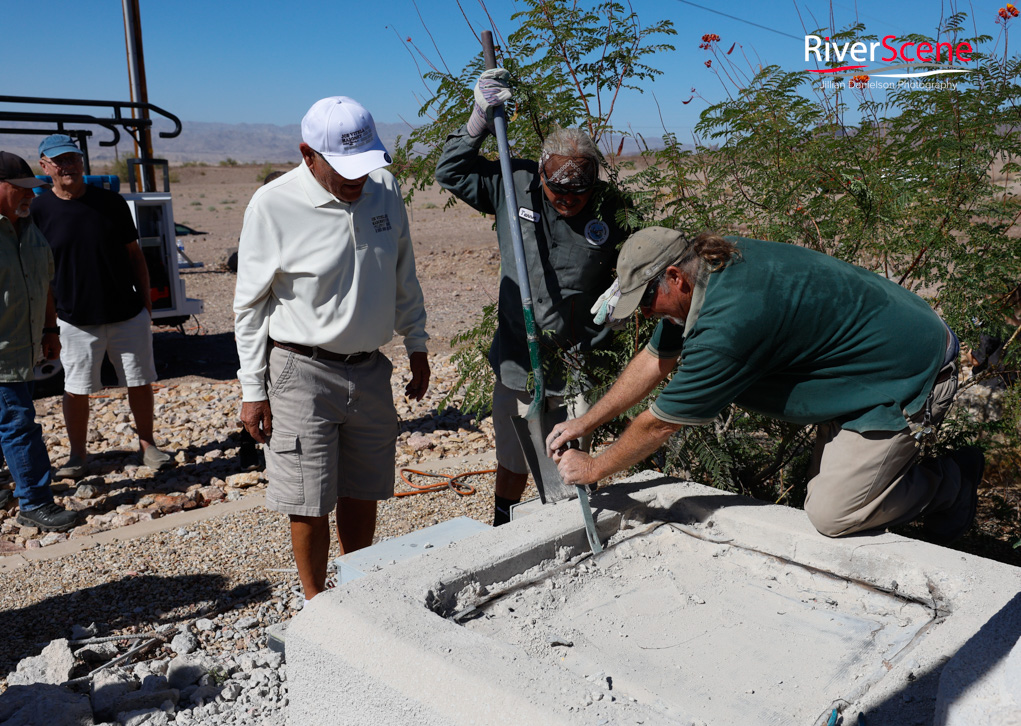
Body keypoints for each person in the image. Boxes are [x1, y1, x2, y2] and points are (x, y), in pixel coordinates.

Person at [547, 227, 984, 543]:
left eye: (645, 300)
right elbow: (655, 360)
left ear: (675, 277)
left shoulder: (730, 323)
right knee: (840, 491)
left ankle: (952, 482)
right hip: (864, 361)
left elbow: (661, 424)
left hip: (903, 374)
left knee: (834, 513)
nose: (644, 314)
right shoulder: (710, 269)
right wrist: (585, 422)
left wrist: (595, 467)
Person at [233, 96, 430, 603]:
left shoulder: (384, 191)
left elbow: (403, 273)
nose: (356, 180)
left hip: (369, 372)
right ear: (307, 154)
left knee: (363, 489)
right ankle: (318, 604)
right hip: (301, 371)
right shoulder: (272, 205)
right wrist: (253, 390)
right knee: (309, 495)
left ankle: (358, 591)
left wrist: (417, 344)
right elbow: (250, 306)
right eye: (344, 169)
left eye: (364, 167)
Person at [435, 68, 629, 525]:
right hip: (518, 355)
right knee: (514, 452)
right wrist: (478, 121)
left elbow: (642, 253)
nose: (567, 201)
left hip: (579, 355)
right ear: (541, 173)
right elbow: (450, 171)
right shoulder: (511, 179)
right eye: (558, 192)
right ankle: (504, 521)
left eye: (578, 194)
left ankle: (573, 524)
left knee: (572, 453)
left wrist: (625, 288)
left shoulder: (609, 208)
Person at [30, 134, 171, 479]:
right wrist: (48, 322)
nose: (68, 167)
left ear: (82, 163)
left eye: (73, 160)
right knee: (76, 389)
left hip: (126, 314)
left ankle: (147, 444)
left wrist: (146, 304)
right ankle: (78, 455)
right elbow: (39, 272)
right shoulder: (38, 211)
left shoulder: (111, 203)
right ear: (44, 167)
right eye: (59, 161)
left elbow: (135, 255)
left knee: (139, 381)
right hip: (74, 319)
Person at [0, 151, 77, 530]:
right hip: (1, 354)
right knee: (18, 423)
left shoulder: (30, 230)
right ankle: (34, 502)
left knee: (9, 420)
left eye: (33, 189)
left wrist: (50, 331)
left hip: (26, 346)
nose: (30, 196)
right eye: (21, 189)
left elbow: (44, 285)